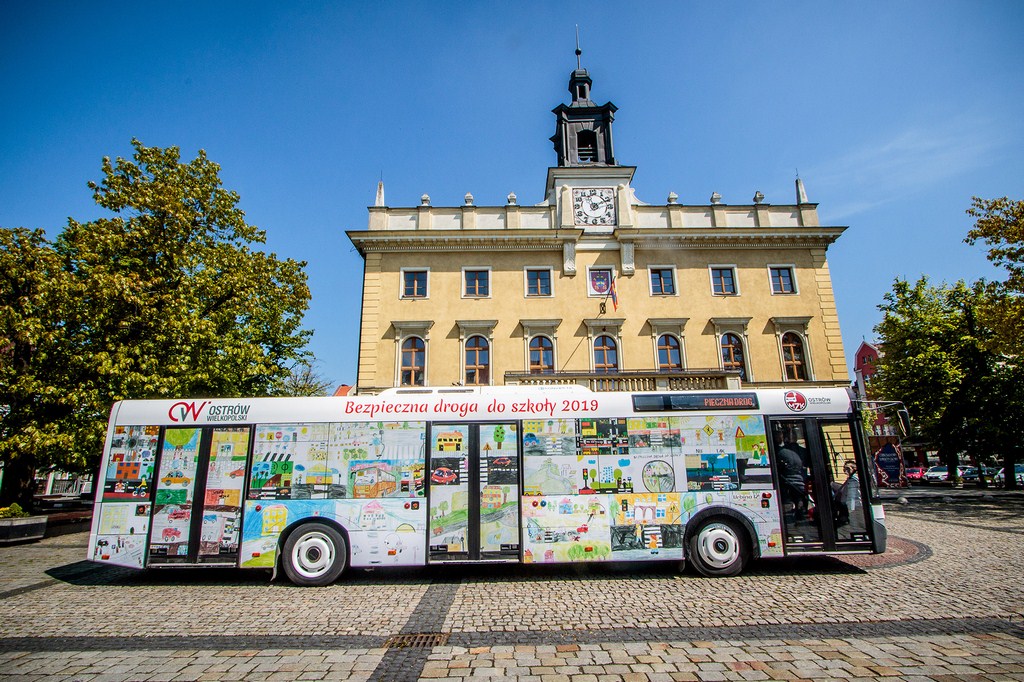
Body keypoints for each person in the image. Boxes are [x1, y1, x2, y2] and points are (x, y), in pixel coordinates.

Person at [774, 426, 807, 518]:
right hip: (800, 483)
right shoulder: (801, 451)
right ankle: (799, 509)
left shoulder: (779, 451)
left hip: (787, 483)